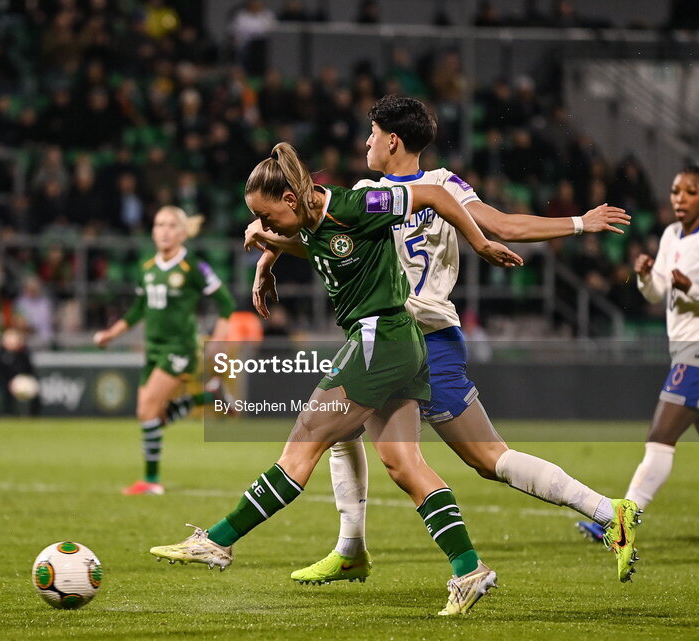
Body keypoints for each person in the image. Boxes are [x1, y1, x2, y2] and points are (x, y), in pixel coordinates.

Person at [246, 95, 641, 584]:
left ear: (392, 140)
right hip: (391, 336)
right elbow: (327, 243)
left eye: (371, 134)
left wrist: (580, 222)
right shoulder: (404, 188)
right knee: (338, 428)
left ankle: (607, 511)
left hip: (424, 337)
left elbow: (500, 227)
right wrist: (268, 255)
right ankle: (350, 548)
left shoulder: (429, 188)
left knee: (485, 457)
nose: (365, 142)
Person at [150, 142, 522, 616]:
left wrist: (479, 241)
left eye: (268, 217)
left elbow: (433, 196)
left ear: (290, 199)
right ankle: (469, 570)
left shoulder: (353, 204)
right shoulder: (310, 221)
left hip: (379, 339)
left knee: (304, 439)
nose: (266, 226)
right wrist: (268, 255)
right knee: (405, 467)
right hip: (397, 344)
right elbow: (310, 242)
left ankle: (218, 541)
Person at [577, 166, 699, 555]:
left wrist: (693, 288)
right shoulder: (670, 236)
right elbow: (656, 293)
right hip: (690, 350)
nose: (679, 198)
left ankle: (621, 525)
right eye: (676, 190)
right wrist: (647, 277)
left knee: (659, 438)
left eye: (690, 191)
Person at [94, 206, 236, 496]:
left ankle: (151, 481)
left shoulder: (194, 267)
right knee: (151, 416)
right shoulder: (147, 267)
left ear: (183, 233)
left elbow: (226, 303)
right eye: (159, 224)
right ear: (153, 231)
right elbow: (137, 311)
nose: (165, 230)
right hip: (154, 348)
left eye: (172, 225)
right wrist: (112, 333)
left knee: (147, 410)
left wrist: (218, 339)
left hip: (181, 347)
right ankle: (210, 395)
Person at [0, 327, 39, 417]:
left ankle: (32, 415)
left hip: (22, 382)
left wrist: (23, 380)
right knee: (6, 395)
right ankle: (8, 414)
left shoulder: (23, 353)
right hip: (6, 385)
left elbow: (29, 370)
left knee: (32, 390)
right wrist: (9, 383)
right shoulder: (1, 354)